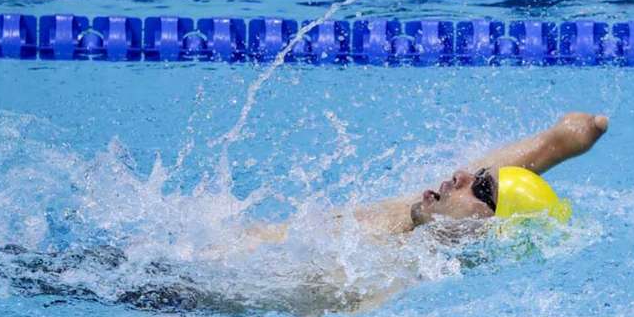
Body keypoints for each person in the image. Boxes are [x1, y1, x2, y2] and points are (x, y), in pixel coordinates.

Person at [246, 112, 609, 245]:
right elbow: (509, 173)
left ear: (490, 228)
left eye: (480, 186)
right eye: (478, 175)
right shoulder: (413, 216)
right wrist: (559, 143)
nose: (461, 175)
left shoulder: (394, 273)